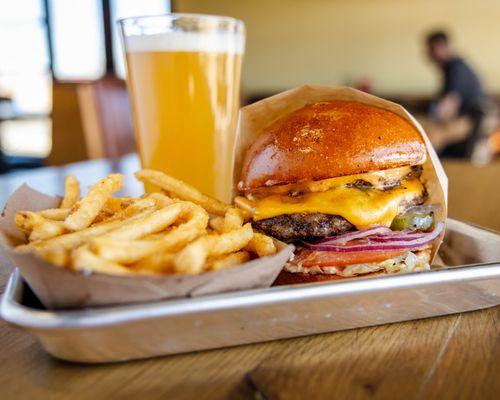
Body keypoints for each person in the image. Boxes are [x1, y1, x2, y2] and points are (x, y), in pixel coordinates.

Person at [425, 30, 490, 158]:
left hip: (472, 121)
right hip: (469, 119)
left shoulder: (456, 67)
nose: (428, 54)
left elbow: (448, 106)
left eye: (431, 49)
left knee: (429, 140)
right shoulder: (454, 66)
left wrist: (430, 118)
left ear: (442, 46)